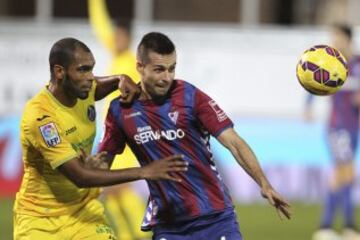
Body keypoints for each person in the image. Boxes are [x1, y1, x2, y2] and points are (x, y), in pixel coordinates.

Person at [99, 32, 291, 240]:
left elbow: (234, 142)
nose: (167, 77)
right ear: (140, 67)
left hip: (215, 219)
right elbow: (102, 164)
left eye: (172, 68)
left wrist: (264, 184)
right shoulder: (121, 110)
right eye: (159, 69)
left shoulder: (189, 96)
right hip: (169, 226)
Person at [13, 37, 188, 240]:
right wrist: (145, 172)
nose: (90, 77)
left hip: (84, 212)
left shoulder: (83, 90)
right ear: (59, 72)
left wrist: (120, 79)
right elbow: (80, 177)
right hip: (40, 221)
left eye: (91, 69)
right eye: (82, 70)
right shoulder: (41, 117)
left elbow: (100, 85)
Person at [88, 1, 149, 239]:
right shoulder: (115, 55)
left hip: (126, 133)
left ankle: (142, 232)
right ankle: (125, 234)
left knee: (120, 185)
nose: (115, 40)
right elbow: (100, 25)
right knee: (110, 190)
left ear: (129, 39)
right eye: (114, 37)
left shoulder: (133, 65)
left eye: (120, 37)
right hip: (110, 133)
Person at [307, 24, 360, 240]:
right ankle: (331, 226)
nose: (334, 41)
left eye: (337, 37)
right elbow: (312, 81)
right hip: (337, 127)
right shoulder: (331, 63)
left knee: (345, 174)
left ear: (347, 39)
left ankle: (339, 226)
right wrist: (308, 104)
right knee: (344, 172)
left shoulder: (357, 63)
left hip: (354, 127)